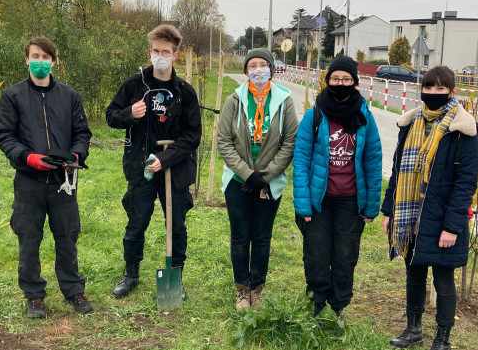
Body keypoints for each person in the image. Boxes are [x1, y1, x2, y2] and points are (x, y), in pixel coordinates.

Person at [381, 65, 478, 350]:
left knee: (443, 280)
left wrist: (451, 227)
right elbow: (398, 171)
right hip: (409, 215)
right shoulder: (410, 123)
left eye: (440, 89)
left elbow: (466, 184)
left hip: (440, 220)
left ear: (452, 91)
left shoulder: (464, 130)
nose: (433, 93)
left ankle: (443, 342)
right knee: (413, 275)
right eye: (428, 87)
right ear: (421, 88)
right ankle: (413, 330)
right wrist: (389, 210)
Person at [0, 36, 93, 317]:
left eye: (46, 58)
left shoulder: (70, 96)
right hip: (29, 181)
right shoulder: (12, 96)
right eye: (35, 57)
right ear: (27, 59)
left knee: (67, 236)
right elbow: (5, 135)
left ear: (54, 61)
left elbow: (82, 133)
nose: (40, 62)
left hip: (64, 180)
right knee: (28, 238)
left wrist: (75, 156)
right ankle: (34, 295)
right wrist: (27, 157)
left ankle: (73, 289)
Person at [105, 24, 202, 299]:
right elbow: (111, 116)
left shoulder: (184, 92)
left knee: (176, 225)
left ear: (175, 55)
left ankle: (176, 278)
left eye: (166, 52)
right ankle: (131, 273)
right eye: (156, 51)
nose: (160, 56)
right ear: (150, 52)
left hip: (175, 170)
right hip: (141, 167)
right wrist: (129, 113)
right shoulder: (135, 86)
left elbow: (192, 135)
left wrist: (165, 159)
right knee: (136, 221)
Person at [292, 55, 382, 323]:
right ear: (327, 80)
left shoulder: (365, 116)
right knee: (316, 254)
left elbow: (373, 160)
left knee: (345, 255)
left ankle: (339, 305)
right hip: (319, 200)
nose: (340, 83)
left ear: (355, 82)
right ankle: (316, 302)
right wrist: (303, 205)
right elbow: (301, 159)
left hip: (351, 201)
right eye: (335, 79)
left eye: (346, 79)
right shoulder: (315, 114)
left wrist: (371, 206)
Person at [216, 48, 299, 310]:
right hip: (237, 181)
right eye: (253, 65)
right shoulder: (234, 100)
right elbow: (224, 141)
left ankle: (257, 289)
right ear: (246, 71)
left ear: (271, 69)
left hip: (269, 181)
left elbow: (289, 142)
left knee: (262, 237)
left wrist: (267, 175)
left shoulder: (284, 100)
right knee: (240, 236)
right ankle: (242, 289)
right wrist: (247, 174)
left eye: (264, 64)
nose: (259, 69)